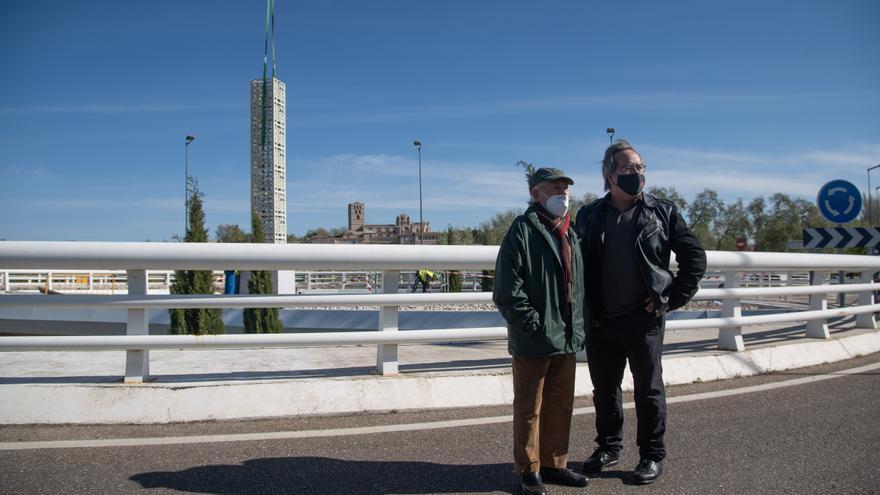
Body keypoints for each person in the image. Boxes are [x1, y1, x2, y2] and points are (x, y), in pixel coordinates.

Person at [574, 140, 706, 485]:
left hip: (643, 318)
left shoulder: (662, 212)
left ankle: (651, 455)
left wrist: (670, 299)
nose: (637, 174)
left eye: (641, 167)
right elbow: (573, 262)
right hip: (601, 320)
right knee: (604, 390)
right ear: (610, 174)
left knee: (648, 390)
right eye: (628, 168)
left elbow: (695, 259)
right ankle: (608, 447)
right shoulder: (589, 215)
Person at [493, 167, 589, 495]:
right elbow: (506, 287)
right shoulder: (522, 230)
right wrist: (532, 323)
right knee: (529, 408)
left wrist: (578, 326)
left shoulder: (570, 232)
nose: (564, 195)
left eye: (566, 189)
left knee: (560, 405)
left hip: (566, 336)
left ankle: (555, 464)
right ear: (537, 194)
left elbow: (578, 286)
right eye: (556, 189)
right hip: (534, 337)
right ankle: (528, 470)